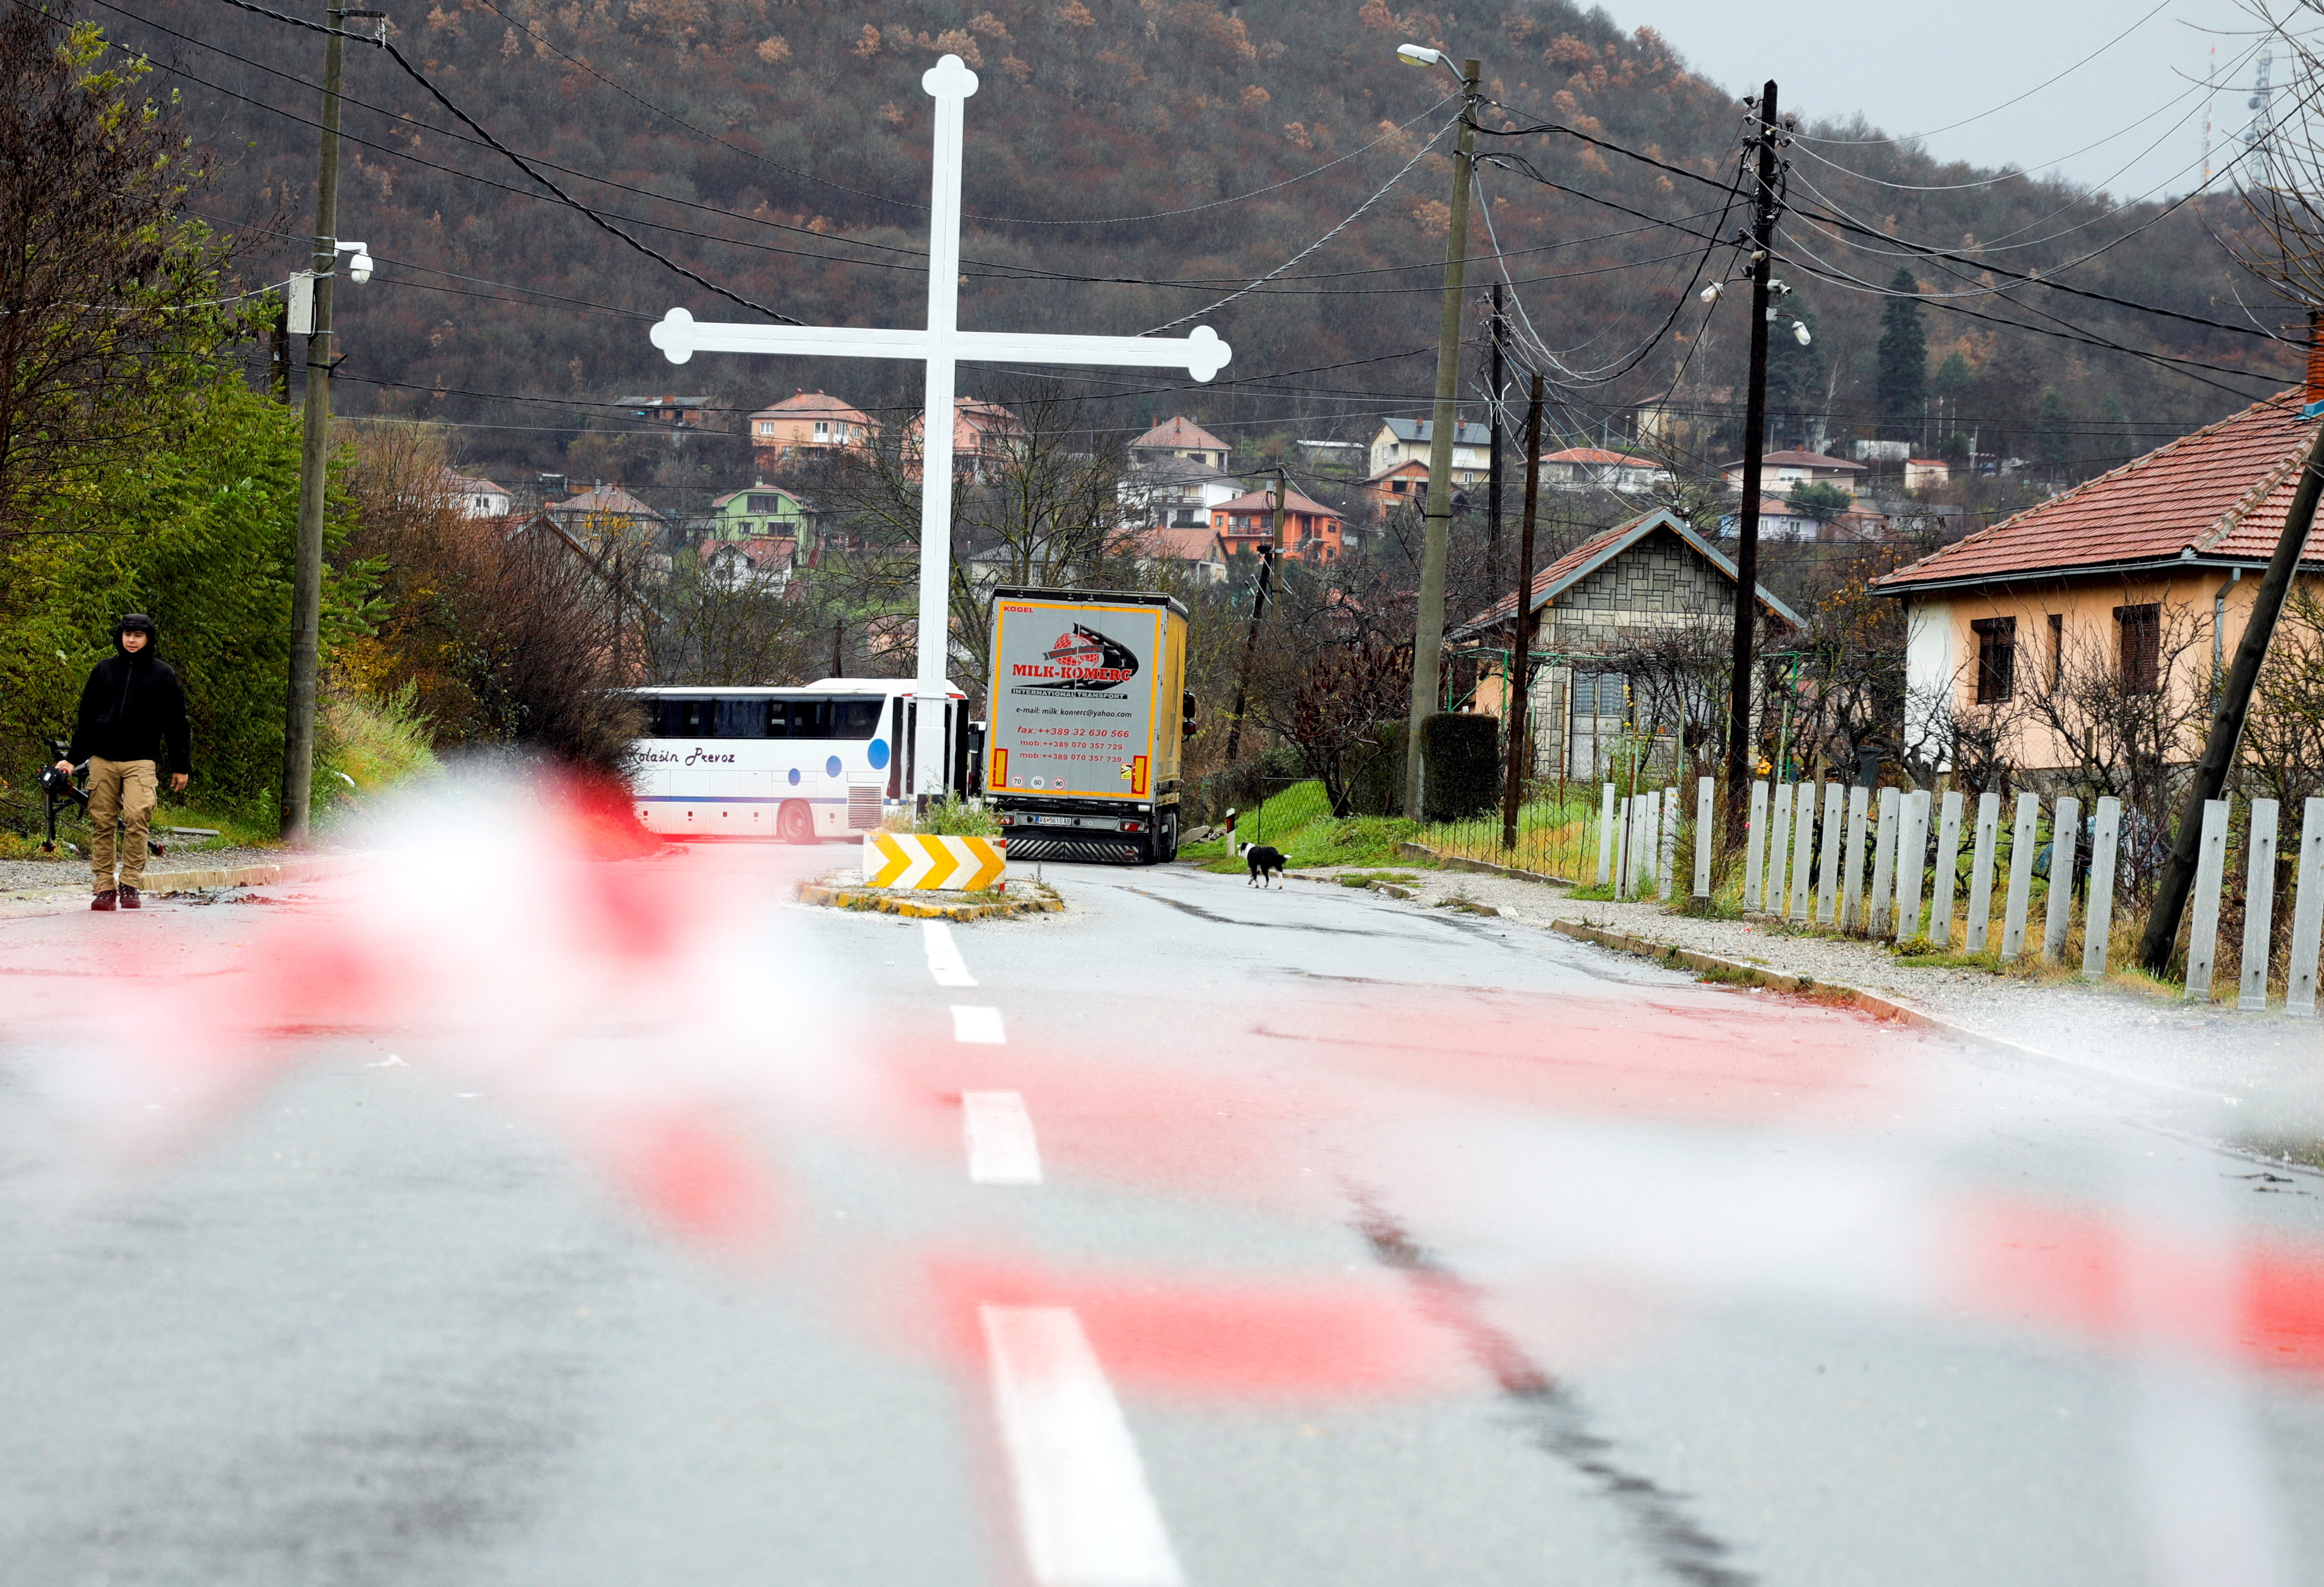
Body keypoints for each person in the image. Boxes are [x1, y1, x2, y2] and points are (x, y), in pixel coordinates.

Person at [55, 614, 191, 911]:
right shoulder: (104, 670)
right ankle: (104, 888)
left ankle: (131, 883)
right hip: (102, 759)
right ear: (120, 636)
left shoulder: (163, 674)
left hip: (141, 760)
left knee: (137, 816)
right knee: (102, 823)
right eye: (128, 634)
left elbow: (177, 723)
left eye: (139, 635)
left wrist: (182, 765)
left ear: (149, 639)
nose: (132, 640)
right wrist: (71, 760)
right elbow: (86, 720)